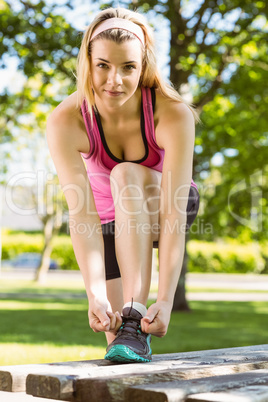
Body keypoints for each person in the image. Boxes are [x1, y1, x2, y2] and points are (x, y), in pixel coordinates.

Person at [46, 7, 200, 363]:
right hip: (108, 224)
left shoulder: (171, 112)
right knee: (121, 343)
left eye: (128, 67)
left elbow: (174, 210)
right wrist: (94, 293)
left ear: (143, 66)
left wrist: (164, 299)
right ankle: (130, 326)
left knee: (125, 174)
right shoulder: (65, 120)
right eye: (103, 65)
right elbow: (81, 213)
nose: (114, 80)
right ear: (88, 62)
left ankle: (136, 305)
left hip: (166, 205)